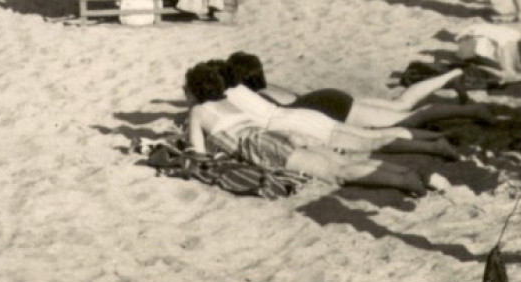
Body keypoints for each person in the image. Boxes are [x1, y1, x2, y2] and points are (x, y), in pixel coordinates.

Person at [183, 62, 447, 196]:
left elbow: (198, 155)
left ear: (194, 92)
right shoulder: (226, 100)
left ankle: (405, 179)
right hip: (277, 132)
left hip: (260, 144)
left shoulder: (197, 111)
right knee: (342, 158)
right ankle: (411, 172)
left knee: (335, 172)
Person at [223, 53, 495, 129]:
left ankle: (474, 110)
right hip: (326, 98)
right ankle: (453, 74)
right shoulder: (267, 86)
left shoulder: (253, 97)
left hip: (332, 108)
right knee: (401, 104)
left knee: (409, 117)